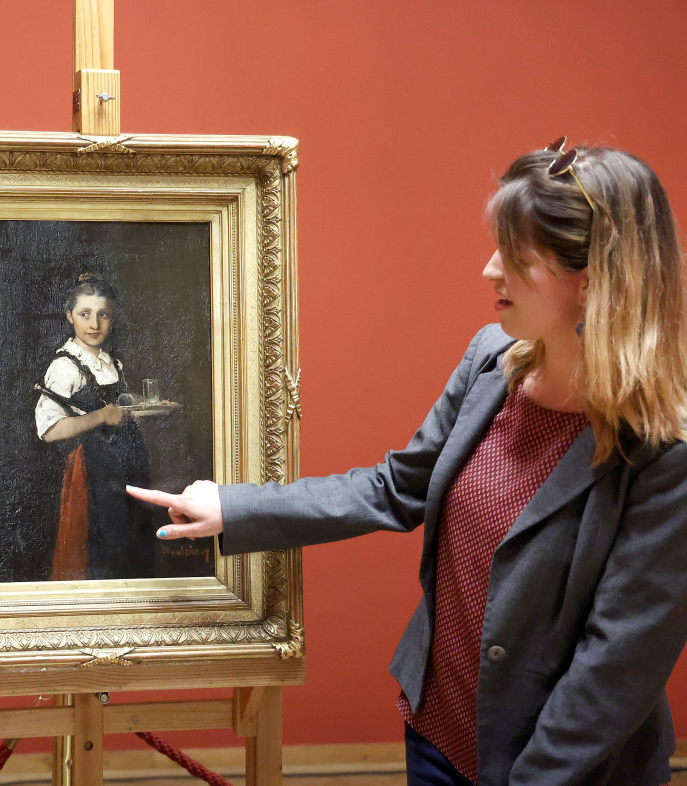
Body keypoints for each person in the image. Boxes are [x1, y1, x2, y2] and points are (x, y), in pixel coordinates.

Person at [129, 141, 687, 784]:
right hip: (435, 732)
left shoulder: (663, 451)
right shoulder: (491, 360)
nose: (489, 270)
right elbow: (396, 487)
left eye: (515, 257)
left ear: (590, 282)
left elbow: (615, 668)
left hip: (557, 768)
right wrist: (234, 506)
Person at [35, 272, 156, 580]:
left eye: (103, 315)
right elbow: (49, 431)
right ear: (70, 316)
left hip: (127, 465)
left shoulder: (111, 362)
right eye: (85, 314)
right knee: (102, 546)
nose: (94, 324)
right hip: (92, 473)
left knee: (134, 539)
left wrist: (132, 407)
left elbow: (118, 409)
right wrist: (100, 417)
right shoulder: (64, 366)